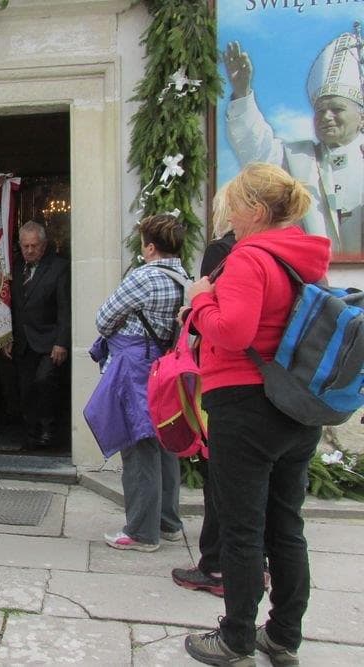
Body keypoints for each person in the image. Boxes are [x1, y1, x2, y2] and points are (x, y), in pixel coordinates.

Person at [183, 163, 330, 667]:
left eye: (233, 205)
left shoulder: (250, 258)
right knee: (286, 526)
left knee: (242, 530)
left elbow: (234, 332)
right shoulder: (306, 260)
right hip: (295, 406)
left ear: (256, 210)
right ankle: (284, 636)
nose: (228, 215)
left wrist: (201, 301)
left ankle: (236, 638)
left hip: (245, 407)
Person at [94, 214, 186, 553]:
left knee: (137, 444)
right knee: (164, 443)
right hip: (164, 367)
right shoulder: (183, 277)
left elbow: (103, 318)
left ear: (149, 247)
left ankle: (142, 532)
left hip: (135, 369)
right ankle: (168, 522)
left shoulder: (144, 277)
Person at [224, 35, 364, 256]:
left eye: (336, 109)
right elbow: (256, 148)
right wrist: (242, 93)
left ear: (361, 117)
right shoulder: (296, 157)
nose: (326, 117)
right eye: (320, 111)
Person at [171, 186, 235, 595]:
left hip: (230, 384)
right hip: (281, 391)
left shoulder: (225, 253)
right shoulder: (297, 253)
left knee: (223, 484)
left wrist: (195, 306)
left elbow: (225, 326)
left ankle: (215, 567)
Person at [3, 221, 70, 448]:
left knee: (44, 382)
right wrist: (7, 336)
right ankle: (31, 435)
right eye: (25, 246)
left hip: (50, 341)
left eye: (34, 246)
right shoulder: (13, 267)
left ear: (44, 245)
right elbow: (10, 305)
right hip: (22, 341)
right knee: (26, 388)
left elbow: (65, 308)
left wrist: (62, 342)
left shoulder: (59, 267)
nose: (29, 250)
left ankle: (49, 431)